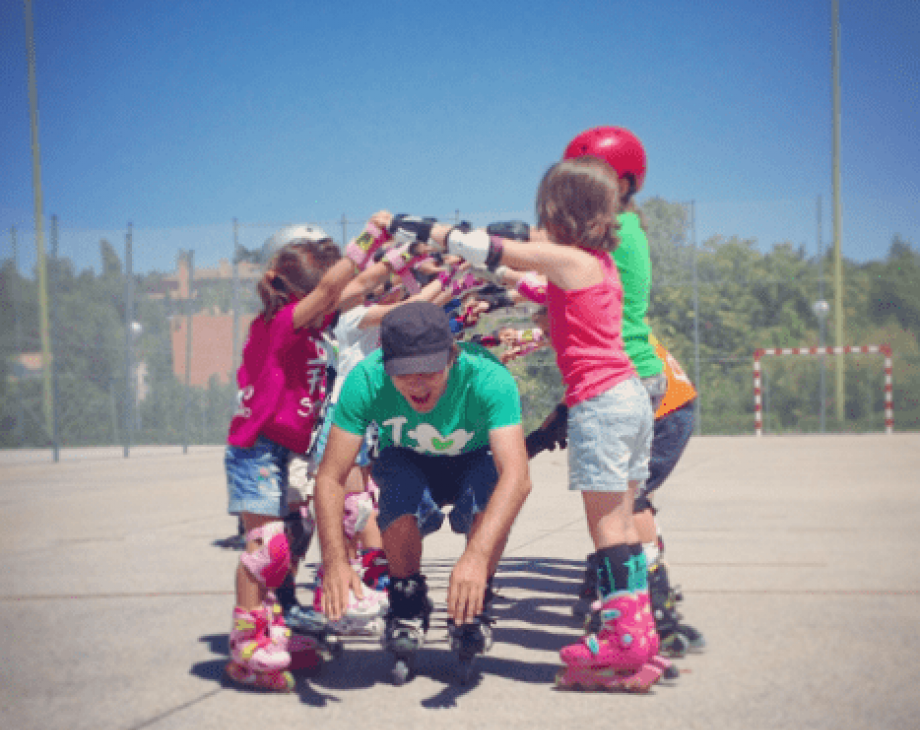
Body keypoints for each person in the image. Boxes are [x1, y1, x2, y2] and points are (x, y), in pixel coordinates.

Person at [414, 155, 667, 691]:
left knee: (606, 527)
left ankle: (621, 640)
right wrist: (484, 283)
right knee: (622, 522)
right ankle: (638, 633)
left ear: (560, 213)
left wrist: (428, 231)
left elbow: (497, 249)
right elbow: (523, 280)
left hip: (601, 400)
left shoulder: (571, 259)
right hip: (629, 400)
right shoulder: (595, 264)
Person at [314, 300, 532, 685]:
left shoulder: (488, 377)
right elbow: (331, 476)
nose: (417, 384)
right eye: (403, 373)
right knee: (397, 505)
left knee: (491, 493)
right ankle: (407, 603)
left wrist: (478, 558)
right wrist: (334, 560)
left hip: (473, 456)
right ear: (385, 364)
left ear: (452, 355)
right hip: (407, 455)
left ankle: (474, 607)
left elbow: (517, 476)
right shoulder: (365, 379)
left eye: (429, 371)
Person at [223, 214, 397, 690]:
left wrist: (406, 254)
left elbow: (358, 284)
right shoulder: (280, 323)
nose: (332, 299)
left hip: (290, 449)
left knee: (293, 541)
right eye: (322, 292)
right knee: (266, 549)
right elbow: (332, 291)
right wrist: (370, 235)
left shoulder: (320, 320)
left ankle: (276, 623)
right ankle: (248, 642)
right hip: (257, 450)